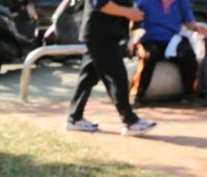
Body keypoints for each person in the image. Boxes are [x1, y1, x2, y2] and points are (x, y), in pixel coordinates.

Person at [66, 0, 157, 135]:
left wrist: (133, 19)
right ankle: (130, 121)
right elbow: (101, 4)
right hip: (100, 35)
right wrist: (129, 13)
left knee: (88, 77)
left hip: (103, 34)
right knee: (117, 77)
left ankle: (74, 117)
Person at [131, 0, 206, 104]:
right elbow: (134, 20)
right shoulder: (145, 2)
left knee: (188, 54)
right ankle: (137, 95)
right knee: (149, 55)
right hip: (149, 40)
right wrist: (135, 32)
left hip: (172, 41)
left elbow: (189, 22)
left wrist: (197, 29)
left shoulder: (181, 2)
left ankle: (189, 94)